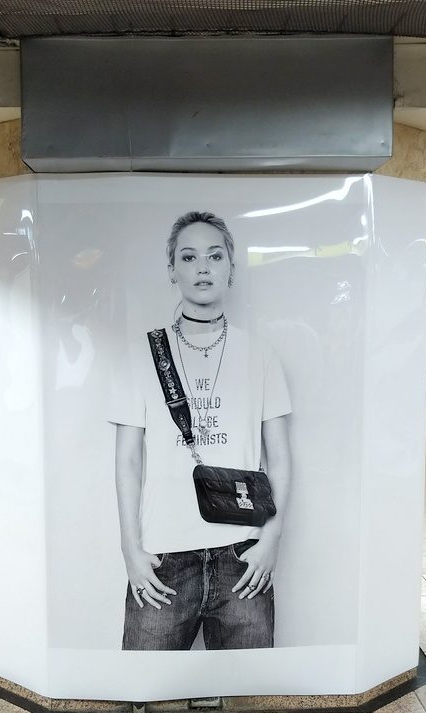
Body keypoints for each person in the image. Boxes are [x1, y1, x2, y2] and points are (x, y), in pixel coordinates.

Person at [109, 211, 292, 651]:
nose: (202, 267)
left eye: (214, 256)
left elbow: (281, 459)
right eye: (188, 257)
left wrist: (271, 540)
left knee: (247, 684)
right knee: (145, 685)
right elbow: (128, 459)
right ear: (172, 270)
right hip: (163, 557)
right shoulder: (142, 353)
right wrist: (130, 548)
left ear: (231, 267)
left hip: (243, 554)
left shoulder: (260, 355)